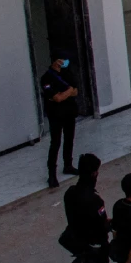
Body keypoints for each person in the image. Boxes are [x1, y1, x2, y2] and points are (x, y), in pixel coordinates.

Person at [61, 152, 117, 263]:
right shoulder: (94, 200)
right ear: (94, 173)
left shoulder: (70, 193)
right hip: (96, 244)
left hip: (78, 242)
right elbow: (102, 225)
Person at [39, 55, 81, 188]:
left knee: (69, 139)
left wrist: (65, 93)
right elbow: (57, 98)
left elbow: (75, 92)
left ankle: (68, 165)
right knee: (55, 143)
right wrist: (68, 91)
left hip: (69, 112)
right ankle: (52, 174)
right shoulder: (46, 78)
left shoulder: (67, 73)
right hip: (55, 115)